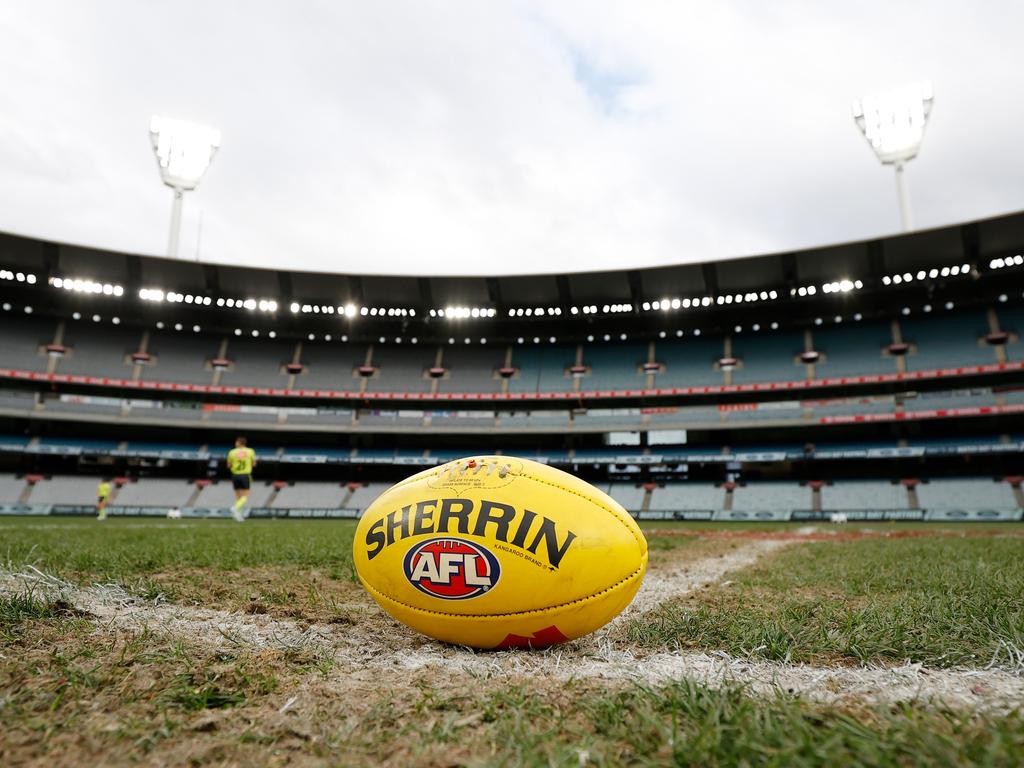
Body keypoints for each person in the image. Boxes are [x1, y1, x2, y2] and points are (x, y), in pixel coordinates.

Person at [227, 437, 257, 522]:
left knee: (238, 497)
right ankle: (235, 508)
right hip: (245, 475)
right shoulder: (250, 451)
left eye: (236, 442)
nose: (235, 443)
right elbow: (254, 464)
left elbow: (229, 466)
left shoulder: (232, 452)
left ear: (239, 442)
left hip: (235, 475)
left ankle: (238, 515)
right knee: (245, 496)